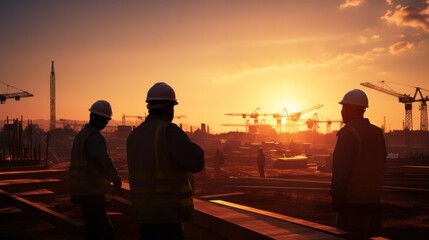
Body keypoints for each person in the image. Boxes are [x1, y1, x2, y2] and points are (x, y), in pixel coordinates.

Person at [127, 82, 205, 240]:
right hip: (167, 216)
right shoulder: (168, 131)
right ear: (169, 107)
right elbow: (196, 162)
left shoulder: (134, 136)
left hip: (144, 215)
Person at [331, 89, 386, 240]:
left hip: (352, 206)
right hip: (374, 205)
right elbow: (381, 163)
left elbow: (340, 173)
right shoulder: (377, 133)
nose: (342, 112)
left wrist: (337, 200)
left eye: (344, 108)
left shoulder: (348, 135)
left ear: (352, 109)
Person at [70, 100, 122, 240]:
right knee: (105, 231)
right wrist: (115, 177)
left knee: (93, 229)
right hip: (91, 191)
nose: (106, 123)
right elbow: (103, 160)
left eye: (107, 120)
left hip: (82, 191)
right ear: (94, 117)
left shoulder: (81, 136)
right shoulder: (94, 137)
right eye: (104, 120)